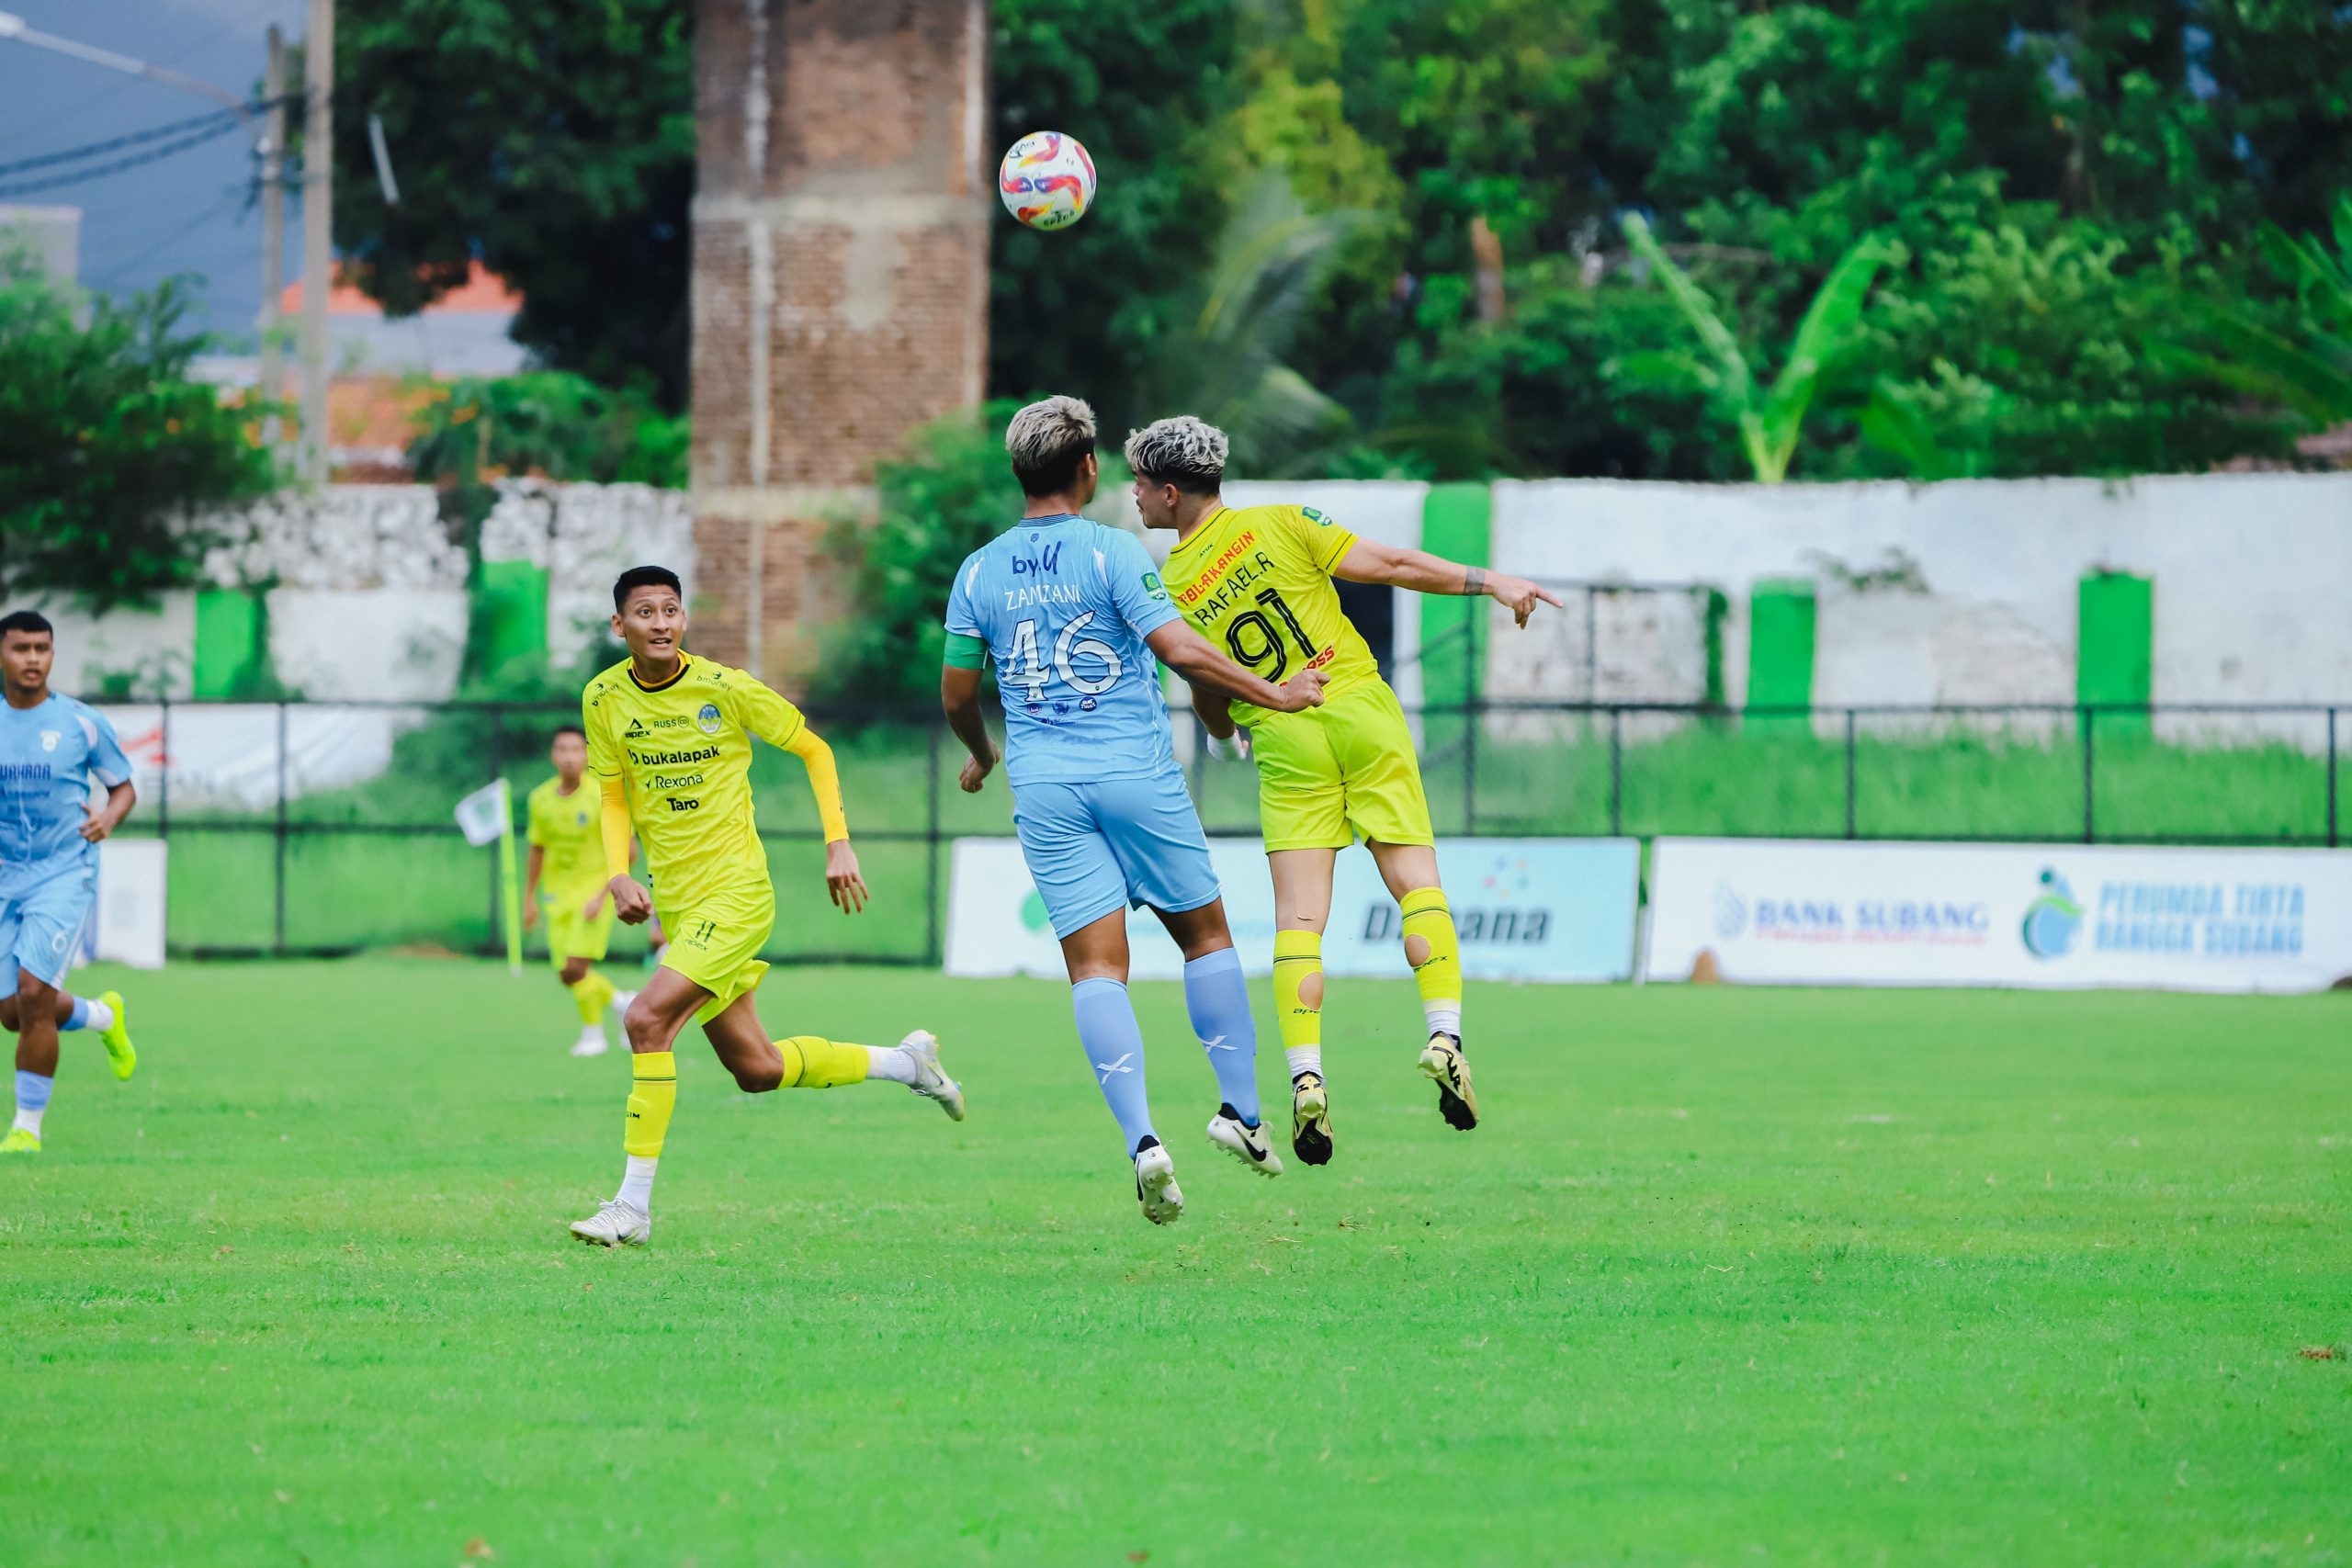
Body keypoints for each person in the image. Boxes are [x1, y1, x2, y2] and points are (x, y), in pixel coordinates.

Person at [1124, 416, 1561, 1166]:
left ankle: (1306, 1078)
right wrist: (1492, 581)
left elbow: (1209, 699)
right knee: (1415, 882)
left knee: (1299, 919)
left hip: (1284, 734)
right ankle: (1444, 1034)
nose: (1132, 495)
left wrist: (1232, 722)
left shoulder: (1169, 587)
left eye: (1138, 483)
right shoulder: (1286, 521)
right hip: (1358, 704)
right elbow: (1389, 563)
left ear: (1169, 492)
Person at [941, 397, 1327, 1225]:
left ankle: (1144, 1142)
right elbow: (1179, 649)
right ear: (1088, 470)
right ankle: (1240, 1113)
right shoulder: (1115, 550)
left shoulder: (978, 569)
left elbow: (957, 692)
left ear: (1018, 473)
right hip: (1133, 773)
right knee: (1206, 936)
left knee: (1096, 969)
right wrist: (1277, 694)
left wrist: (982, 752)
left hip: (1045, 788)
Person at [567, 567, 965, 1247]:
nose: (660, 622)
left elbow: (815, 747)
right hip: (684, 904)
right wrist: (617, 872)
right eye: (644, 612)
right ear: (619, 626)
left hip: (739, 894)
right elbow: (610, 793)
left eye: (671, 609)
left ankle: (631, 1207)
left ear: (683, 620)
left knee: (643, 1018)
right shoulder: (602, 698)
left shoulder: (723, 687)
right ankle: (909, 1063)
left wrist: (839, 844)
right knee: (757, 1069)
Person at [0, 611, 140, 1156]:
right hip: (7, 876)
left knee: (34, 994)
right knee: (14, 1013)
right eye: (20, 649)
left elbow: (123, 786)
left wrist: (107, 818)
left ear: (53, 654)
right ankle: (103, 1015)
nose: (32, 659)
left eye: (42, 648)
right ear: (2, 655)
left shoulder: (81, 722)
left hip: (64, 873)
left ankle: (26, 1130)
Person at [522, 724, 636, 1056]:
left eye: (576, 749)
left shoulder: (602, 795)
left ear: (586, 755)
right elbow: (537, 849)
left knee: (575, 969)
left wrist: (604, 893)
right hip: (556, 897)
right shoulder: (540, 799)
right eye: (563, 750)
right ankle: (621, 1002)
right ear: (553, 756)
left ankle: (593, 1035)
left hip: (593, 895)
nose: (570, 757)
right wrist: (529, 898)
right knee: (566, 975)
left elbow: (628, 850)